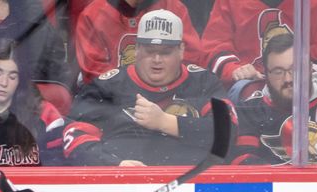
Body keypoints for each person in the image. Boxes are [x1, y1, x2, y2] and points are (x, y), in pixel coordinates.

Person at [62, 9, 230, 166]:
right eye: (150, 51)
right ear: (137, 49)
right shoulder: (106, 87)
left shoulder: (204, 82)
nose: (157, 59)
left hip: (193, 185)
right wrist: (113, 165)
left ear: (181, 51)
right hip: (122, 186)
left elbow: (228, 133)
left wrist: (165, 122)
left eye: (165, 52)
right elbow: (74, 138)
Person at [232, 34, 317, 166]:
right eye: (278, 72)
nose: (288, 79)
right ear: (266, 74)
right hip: (272, 185)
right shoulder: (250, 110)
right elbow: (242, 160)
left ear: (310, 68)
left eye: (295, 69)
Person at [0, 39, 65, 166]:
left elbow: (55, 167)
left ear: (20, 81)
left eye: (12, 77)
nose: (4, 83)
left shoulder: (46, 114)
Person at [202, 0, 317, 86]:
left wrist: (305, 74)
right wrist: (234, 69)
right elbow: (214, 46)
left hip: (303, 83)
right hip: (249, 83)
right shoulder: (231, 2)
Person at [74, 0, 206, 83]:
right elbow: (95, 74)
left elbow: (191, 58)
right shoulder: (93, 14)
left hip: (168, 95)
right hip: (114, 102)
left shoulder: (173, 7)